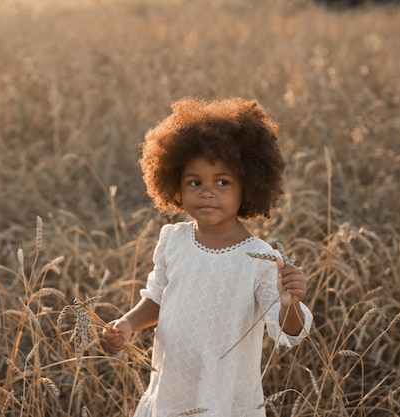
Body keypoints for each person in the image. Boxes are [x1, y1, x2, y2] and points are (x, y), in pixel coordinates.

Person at [102, 97, 313, 417]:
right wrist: (129, 324)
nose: (207, 192)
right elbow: (157, 298)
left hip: (225, 397)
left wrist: (290, 303)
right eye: (195, 182)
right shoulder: (173, 240)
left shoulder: (261, 259)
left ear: (249, 186)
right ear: (175, 184)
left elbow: (288, 332)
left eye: (223, 182)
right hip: (172, 390)